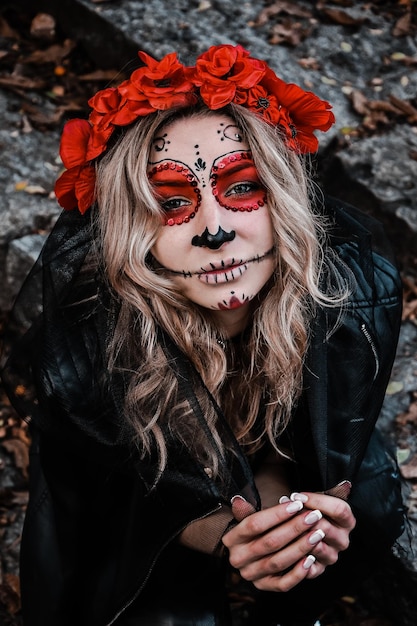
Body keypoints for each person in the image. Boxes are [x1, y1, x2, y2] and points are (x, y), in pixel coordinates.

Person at [1, 44, 410, 626]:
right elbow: (125, 492)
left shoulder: (350, 300)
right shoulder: (91, 346)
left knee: (366, 502)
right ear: (127, 229)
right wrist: (226, 536)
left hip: (271, 475)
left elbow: (287, 445)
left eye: (242, 187)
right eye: (171, 202)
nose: (214, 230)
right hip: (144, 509)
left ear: (284, 196)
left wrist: (289, 523)